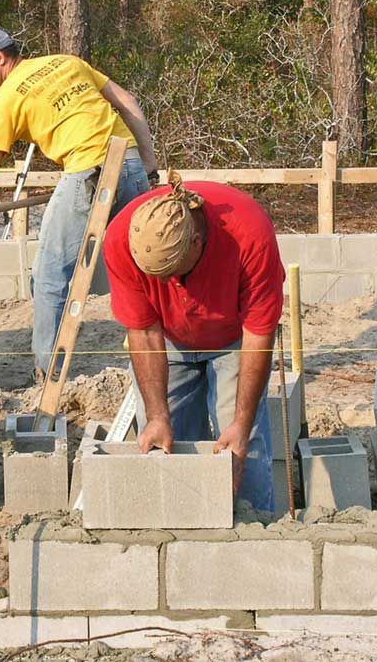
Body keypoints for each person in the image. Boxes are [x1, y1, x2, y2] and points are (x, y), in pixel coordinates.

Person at [0, 27, 158, 379]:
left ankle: (49, 375)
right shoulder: (66, 62)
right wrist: (149, 164)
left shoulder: (5, 98)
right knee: (145, 266)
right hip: (131, 162)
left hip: (87, 172)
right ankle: (160, 351)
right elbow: (127, 102)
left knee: (49, 278)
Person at [102, 172, 285, 511]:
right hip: (167, 339)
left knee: (243, 447)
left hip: (235, 339)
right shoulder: (122, 240)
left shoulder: (250, 234)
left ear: (198, 241)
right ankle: (183, 537)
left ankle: (257, 535)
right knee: (169, 446)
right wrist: (158, 416)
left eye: (174, 273)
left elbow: (259, 334)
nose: (169, 284)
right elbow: (143, 331)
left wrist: (241, 425)